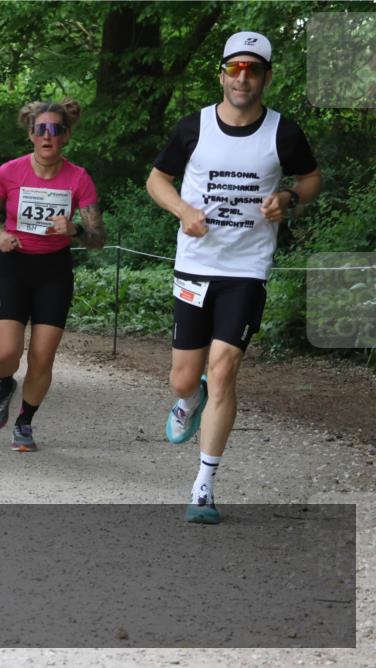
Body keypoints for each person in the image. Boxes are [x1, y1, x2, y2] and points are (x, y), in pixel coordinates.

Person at [146, 31, 322, 524]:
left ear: (266, 76)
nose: (242, 77)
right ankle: (188, 397)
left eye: (253, 69)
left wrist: (287, 199)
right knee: (185, 376)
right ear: (222, 73)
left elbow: (311, 179)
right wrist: (183, 209)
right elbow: (157, 179)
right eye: (234, 68)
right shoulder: (193, 127)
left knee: (224, 371)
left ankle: (203, 487)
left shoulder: (283, 132)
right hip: (195, 265)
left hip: (247, 269)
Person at [0, 99, 106, 452]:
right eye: (41, 129)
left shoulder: (78, 178)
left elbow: (99, 238)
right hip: (14, 266)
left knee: (42, 357)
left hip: (54, 271)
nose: (48, 136)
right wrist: (1, 234)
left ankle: (24, 421)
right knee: (6, 353)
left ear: (66, 136)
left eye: (56, 130)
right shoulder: (9, 172)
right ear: (31, 134)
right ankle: (5, 383)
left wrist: (76, 229)